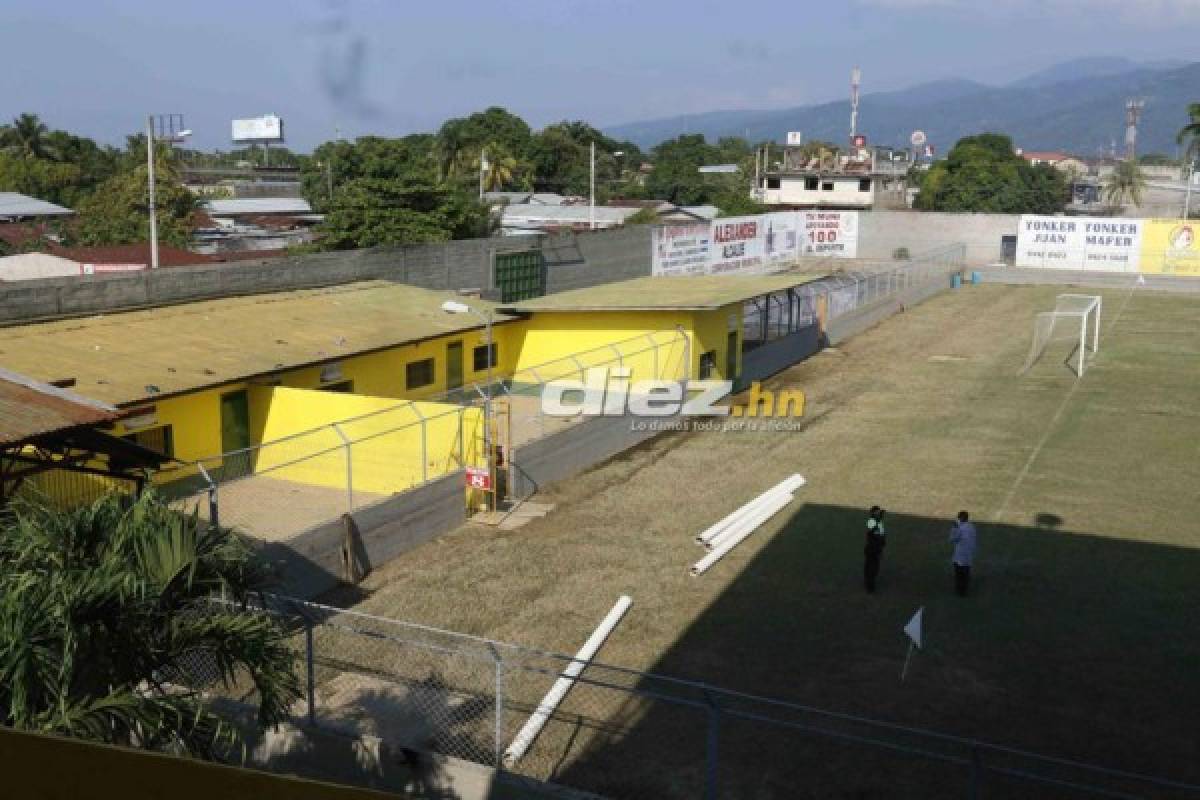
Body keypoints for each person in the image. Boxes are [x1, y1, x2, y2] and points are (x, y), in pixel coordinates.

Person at [949, 510, 977, 597]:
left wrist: (954, 528)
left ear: (960, 518)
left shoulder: (959, 529)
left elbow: (952, 539)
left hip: (960, 555)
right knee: (966, 573)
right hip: (968, 554)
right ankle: (964, 589)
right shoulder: (972, 527)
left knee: (959, 574)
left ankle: (960, 591)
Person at [863, 506, 886, 593]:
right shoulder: (872, 521)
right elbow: (872, 532)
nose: (879, 514)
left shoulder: (878, 521)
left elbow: (881, 533)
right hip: (872, 548)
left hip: (877, 548)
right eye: (877, 512)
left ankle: (869, 583)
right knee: (871, 567)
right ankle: (870, 586)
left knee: (874, 567)